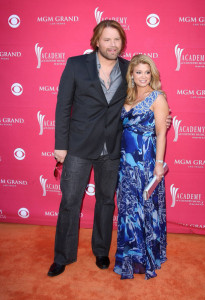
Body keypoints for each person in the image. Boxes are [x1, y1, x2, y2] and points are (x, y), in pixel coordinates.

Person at [48, 20, 171, 277]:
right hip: (79, 146)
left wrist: (161, 119)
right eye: (107, 39)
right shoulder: (75, 65)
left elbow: (144, 101)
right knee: (70, 201)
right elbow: (62, 106)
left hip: (114, 149)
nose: (112, 44)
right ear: (96, 41)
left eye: (117, 40)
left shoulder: (130, 69)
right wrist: (61, 146)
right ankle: (63, 255)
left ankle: (101, 251)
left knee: (106, 201)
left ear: (122, 43)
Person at [113, 54, 169, 280]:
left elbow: (161, 132)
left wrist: (158, 164)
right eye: (139, 72)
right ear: (132, 75)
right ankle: (129, 257)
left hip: (146, 161)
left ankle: (147, 257)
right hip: (125, 162)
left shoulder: (158, 97)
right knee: (128, 209)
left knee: (145, 209)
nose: (143, 76)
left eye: (147, 72)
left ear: (152, 74)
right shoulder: (125, 96)